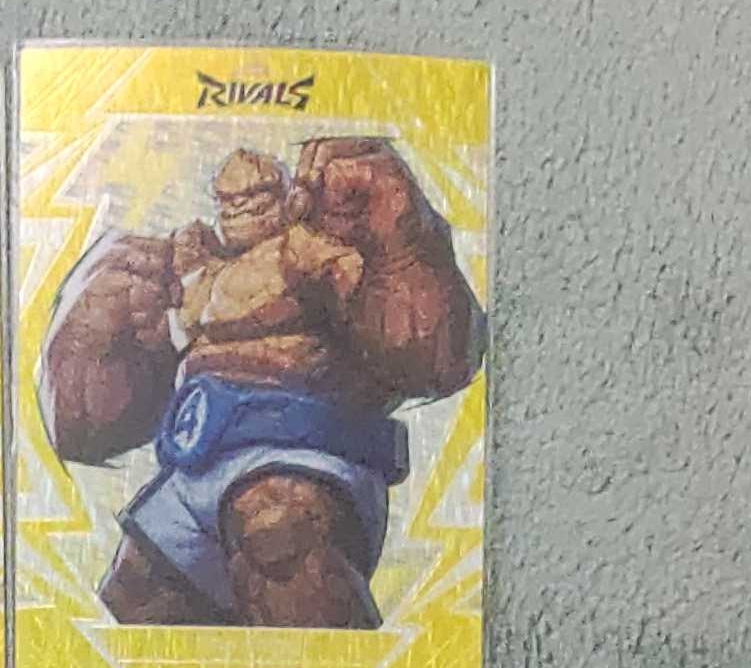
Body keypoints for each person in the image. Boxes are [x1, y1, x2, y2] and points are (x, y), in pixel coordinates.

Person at [40, 137, 484, 627]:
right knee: (136, 587)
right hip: (196, 465)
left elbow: (429, 353)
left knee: (279, 535)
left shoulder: (303, 249)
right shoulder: (198, 267)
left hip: (296, 458)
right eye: (231, 200)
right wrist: (104, 328)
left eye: (255, 197)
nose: (242, 209)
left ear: (283, 195)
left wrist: (399, 249)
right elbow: (90, 423)